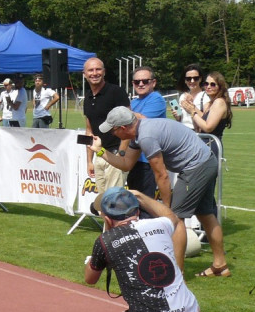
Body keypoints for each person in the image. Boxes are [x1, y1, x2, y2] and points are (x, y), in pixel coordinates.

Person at [80, 188, 200, 312]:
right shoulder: (160, 224)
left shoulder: (105, 241)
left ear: (107, 219)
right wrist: (140, 196)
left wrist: (96, 255)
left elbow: (89, 279)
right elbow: (173, 217)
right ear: (136, 211)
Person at [95, 104, 229, 277]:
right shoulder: (139, 133)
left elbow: (162, 176)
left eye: (113, 131)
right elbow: (126, 164)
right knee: (205, 214)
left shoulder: (146, 137)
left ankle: (176, 276)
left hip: (196, 167)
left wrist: (166, 210)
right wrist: (99, 151)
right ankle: (220, 265)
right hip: (206, 161)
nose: (112, 135)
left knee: (175, 220)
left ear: (122, 128)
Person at [81, 57, 131, 194]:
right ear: (84, 74)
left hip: (115, 154)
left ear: (104, 72)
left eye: (98, 69)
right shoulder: (88, 97)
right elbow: (89, 130)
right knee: (104, 200)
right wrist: (89, 161)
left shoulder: (116, 92)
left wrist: (121, 154)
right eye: (90, 70)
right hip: (100, 154)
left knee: (114, 199)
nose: (94, 73)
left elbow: (129, 125)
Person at [124, 66, 167, 198]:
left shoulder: (156, 98)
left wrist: (121, 112)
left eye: (145, 81)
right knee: (134, 201)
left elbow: (141, 122)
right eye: (137, 82)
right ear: (133, 84)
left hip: (148, 160)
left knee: (144, 202)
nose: (141, 84)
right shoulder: (133, 102)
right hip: (133, 159)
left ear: (153, 82)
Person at [191, 71, 232, 145]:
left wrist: (192, 112)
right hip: (203, 144)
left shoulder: (219, 102)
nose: (208, 87)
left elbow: (208, 127)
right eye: (206, 84)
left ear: (220, 87)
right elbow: (199, 126)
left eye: (212, 84)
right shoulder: (210, 104)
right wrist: (192, 107)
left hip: (211, 145)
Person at [174, 64, 209, 130]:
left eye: (196, 78)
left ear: (200, 79)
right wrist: (177, 116)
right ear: (185, 80)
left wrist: (192, 107)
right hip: (183, 131)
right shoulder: (182, 96)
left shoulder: (205, 96)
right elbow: (180, 120)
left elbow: (206, 119)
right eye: (188, 79)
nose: (192, 81)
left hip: (197, 133)